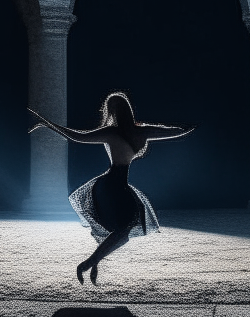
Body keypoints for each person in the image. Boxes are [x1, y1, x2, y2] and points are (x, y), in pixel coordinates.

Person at [28, 91, 194, 284]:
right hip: (112, 186)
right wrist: (190, 128)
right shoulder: (139, 131)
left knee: (122, 232)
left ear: (112, 111)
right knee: (122, 231)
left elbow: (77, 136)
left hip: (113, 185)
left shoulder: (113, 132)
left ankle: (92, 262)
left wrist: (47, 123)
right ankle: (90, 263)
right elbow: (175, 131)